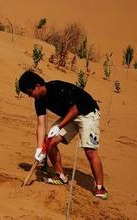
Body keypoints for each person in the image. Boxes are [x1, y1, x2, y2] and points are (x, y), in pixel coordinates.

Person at [18, 70, 108, 199]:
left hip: (87, 113)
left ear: (37, 86)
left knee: (89, 150)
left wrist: (59, 126)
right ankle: (60, 176)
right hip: (70, 116)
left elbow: (75, 109)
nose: (30, 96)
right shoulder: (39, 101)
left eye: (30, 92)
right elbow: (41, 125)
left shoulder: (57, 88)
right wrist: (39, 148)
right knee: (50, 143)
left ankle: (100, 188)